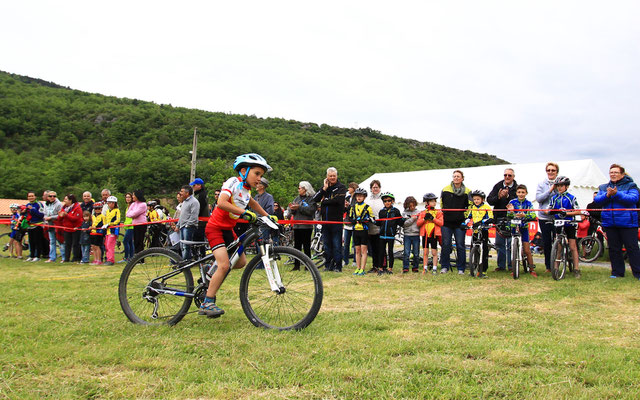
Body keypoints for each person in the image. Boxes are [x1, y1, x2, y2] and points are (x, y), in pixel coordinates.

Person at [199, 153, 276, 318]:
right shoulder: (233, 182)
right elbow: (221, 202)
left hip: (228, 229)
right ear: (243, 170)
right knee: (225, 265)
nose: (259, 179)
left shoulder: (246, 190)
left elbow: (253, 203)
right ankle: (208, 302)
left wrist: (266, 215)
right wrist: (244, 213)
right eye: (256, 174)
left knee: (240, 262)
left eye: (261, 176)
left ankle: (210, 269)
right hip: (215, 228)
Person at [594, 164, 640, 279]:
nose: (613, 174)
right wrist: (607, 195)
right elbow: (597, 200)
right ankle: (617, 273)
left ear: (622, 174)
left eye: (616, 172)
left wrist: (617, 194)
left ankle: (638, 273)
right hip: (610, 223)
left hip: (628, 223)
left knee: (632, 248)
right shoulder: (603, 187)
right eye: (611, 172)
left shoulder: (631, 185)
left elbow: (633, 199)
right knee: (614, 249)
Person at [313, 167, 347, 272]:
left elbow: (338, 200)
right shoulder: (325, 188)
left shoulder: (341, 187)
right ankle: (328, 265)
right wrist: (324, 189)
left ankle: (338, 266)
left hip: (336, 221)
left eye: (334, 176)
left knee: (336, 245)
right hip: (325, 221)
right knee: (327, 245)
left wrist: (325, 201)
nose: (332, 178)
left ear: (337, 176)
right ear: (327, 177)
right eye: (330, 176)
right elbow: (315, 199)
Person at [547, 176, 581, 278]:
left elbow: (578, 210)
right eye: (558, 186)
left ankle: (576, 269)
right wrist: (550, 211)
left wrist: (568, 213)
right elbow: (548, 209)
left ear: (566, 186)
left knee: (572, 246)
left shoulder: (571, 197)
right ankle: (556, 267)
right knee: (559, 247)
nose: (559, 188)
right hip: (558, 223)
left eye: (561, 186)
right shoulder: (554, 198)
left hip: (569, 223)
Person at [440, 170, 471, 274]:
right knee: (445, 244)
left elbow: (470, 206)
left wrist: (465, 217)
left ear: (462, 178)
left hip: (460, 223)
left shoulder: (468, 191)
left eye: (458, 176)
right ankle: (444, 266)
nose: (456, 178)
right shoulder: (445, 189)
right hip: (447, 222)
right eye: (454, 176)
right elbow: (441, 204)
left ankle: (461, 268)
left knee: (460, 245)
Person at [487, 168, 518, 271]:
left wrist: (508, 196)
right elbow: (489, 200)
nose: (507, 177)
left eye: (509, 175)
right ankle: (501, 266)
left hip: (511, 217)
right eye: (505, 175)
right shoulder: (498, 186)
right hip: (499, 217)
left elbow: (518, 201)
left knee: (510, 243)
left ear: (513, 177)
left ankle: (511, 265)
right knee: (499, 243)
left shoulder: (517, 187)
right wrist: (499, 197)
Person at [506, 184, 537, 277]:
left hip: (524, 227)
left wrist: (525, 216)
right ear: (516, 193)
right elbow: (508, 215)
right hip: (514, 227)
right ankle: (514, 269)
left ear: (526, 193)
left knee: (527, 249)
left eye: (523, 192)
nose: (521, 194)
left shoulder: (528, 203)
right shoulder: (512, 202)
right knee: (512, 248)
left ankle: (531, 269)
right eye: (519, 192)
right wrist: (511, 212)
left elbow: (533, 215)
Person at [287, 181, 316, 270]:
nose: (298, 190)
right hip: (297, 225)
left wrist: (299, 207)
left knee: (306, 246)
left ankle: (308, 265)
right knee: (297, 246)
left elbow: (311, 211)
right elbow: (291, 212)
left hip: (306, 226)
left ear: (305, 189)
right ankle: (296, 265)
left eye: (300, 188)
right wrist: (292, 209)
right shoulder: (297, 199)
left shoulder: (311, 199)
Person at [536, 162, 560, 273]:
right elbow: (539, 198)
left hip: (556, 217)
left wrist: (556, 188)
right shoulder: (541, 184)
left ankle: (558, 263)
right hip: (544, 217)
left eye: (553, 170)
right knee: (546, 242)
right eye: (548, 170)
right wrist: (550, 189)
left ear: (556, 172)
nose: (550, 172)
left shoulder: (561, 183)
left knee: (558, 241)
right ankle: (548, 266)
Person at [464, 190, 493, 277]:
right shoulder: (473, 207)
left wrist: (482, 222)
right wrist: (464, 223)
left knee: (484, 250)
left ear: (482, 199)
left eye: (478, 199)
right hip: (475, 230)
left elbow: (490, 218)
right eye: (475, 199)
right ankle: (473, 268)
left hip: (484, 230)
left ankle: (483, 270)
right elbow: (469, 217)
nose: (476, 201)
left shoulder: (486, 207)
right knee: (473, 248)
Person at [346, 188, 373, 276]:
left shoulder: (367, 207)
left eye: (361, 196)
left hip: (364, 231)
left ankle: (362, 268)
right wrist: (353, 221)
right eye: (357, 196)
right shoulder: (353, 207)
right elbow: (350, 217)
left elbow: (373, 219)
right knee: (357, 250)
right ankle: (357, 268)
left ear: (364, 197)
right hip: (355, 230)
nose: (359, 197)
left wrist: (365, 220)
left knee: (363, 250)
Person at [417, 193, 443, 274]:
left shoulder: (438, 212)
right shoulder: (422, 212)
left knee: (434, 252)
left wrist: (433, 219)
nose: (434, 203)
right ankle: (425, 267)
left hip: (434, 234)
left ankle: (434, 268)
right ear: (426, 203)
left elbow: (441, 223)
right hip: (425, 234)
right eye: (432, 201)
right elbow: (418, 223)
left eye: (435, 201)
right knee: (425, 252)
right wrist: (424, 219)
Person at [377, 192, 402, 274]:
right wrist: (373, 221)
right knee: (381, 252)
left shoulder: (396, 211)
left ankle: (390, 268)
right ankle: (381, 268)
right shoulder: (381, 212)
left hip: (390, 235)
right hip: (382, 235)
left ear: (392, 201)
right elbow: (379, 223)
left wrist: (405, 219)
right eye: (385, 201)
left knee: (390, 252)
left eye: (389, 200)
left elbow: (400, 222)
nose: (387, 202)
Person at [58, 194, 83, 263]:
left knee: (75, 244)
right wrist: (60, 216)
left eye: (66, 199)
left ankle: (76, 257)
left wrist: (66, 215)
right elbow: (59, 218)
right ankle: (66, 258)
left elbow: (75, 218)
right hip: (67, 228)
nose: (64, 200)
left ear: (70, 200)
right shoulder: (64, 207)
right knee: (67, 244)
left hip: (75, 228)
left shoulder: (77, 208)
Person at [366, 180, 384, 273]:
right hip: (370, 227)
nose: (375, 189)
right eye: (373, 187)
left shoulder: (383, 199)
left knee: (380, 248)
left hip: (380, 227)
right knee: (372, 249)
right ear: (371, 189)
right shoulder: (367, 200)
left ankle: (381, 266)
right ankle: (375, 266)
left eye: (377, 187)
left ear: (379, 188)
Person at [177, 185, 200, 260]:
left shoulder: (194, 202)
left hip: (188, 227)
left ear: (187, 193)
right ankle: (185, 259)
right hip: (182, 226)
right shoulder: (184, 202)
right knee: (182, 245)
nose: (180, 193)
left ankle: (186, 260)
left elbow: (194, 215)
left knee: (186, 245)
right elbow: (182, 215)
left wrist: (188, 225)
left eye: (182, 191)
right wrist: (178, 225)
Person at [190, 177, 210, 257]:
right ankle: (201, 255)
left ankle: (200, 255)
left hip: (201, 221)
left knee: (197, 240)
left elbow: (199, 208)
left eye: (194, 185)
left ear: (199, 185)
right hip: (201, 221)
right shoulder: (201, 194)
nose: (193, 187)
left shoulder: (201, 195)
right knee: (199, 240)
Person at [25, 191, 45, 262]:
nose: (31, 197)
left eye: (32, 196)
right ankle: (31, 255)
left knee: (37, 241)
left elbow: (41, 215)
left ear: (35, 197)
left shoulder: (39, 204)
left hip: (38, 225)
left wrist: (32, 209)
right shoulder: (27, 204)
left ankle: (37, 256)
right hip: (30, 225)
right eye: (29, 196)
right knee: (31, 241)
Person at [402, 196, 421, 273]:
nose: (412, 207)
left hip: (416, 235)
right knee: (406, 252)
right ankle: (405, 267)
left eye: (413, 205)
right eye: (410, 206)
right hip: (407, 235)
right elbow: (404, 224)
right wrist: (413, 218)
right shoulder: (404, 213)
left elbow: (420, 223)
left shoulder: (418, 212)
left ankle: (415, 267)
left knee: (416, 253)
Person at [43, 191, 62, 263]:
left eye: (54, 196)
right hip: (49, 224)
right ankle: (52, 257)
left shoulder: (59, 204)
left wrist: (51, 217)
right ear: (48, 197)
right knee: (52, 241)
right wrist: (46, 218)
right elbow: (44, 213)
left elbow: (60, 214)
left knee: (60, 241)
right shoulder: (46, 204)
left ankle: (64, 257)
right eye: (50, 196)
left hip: (57, 224)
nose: (52, 197)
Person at [126, 190, 148, 255]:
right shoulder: (133, 204)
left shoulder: (143, 204)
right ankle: (136, 256)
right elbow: (128, 214)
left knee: (140, 241)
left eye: (133, 195)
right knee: (135, 241)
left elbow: (134, 214)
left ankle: (141, 258)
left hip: (141, 225)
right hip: (135, 224)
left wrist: (133, 214)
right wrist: (132, 214)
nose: (132, 196)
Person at [342, 182, 359, 266]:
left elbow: (355, 209)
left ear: (353, 188)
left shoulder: (357, 199)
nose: (348, 189)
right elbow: (346, 210)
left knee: (355, 244)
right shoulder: (348, 197)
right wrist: (345, 207)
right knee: (346, 244)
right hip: (347, 223)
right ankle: (345, 260)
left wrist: (349, 206)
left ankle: (355, 261)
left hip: (354, 223)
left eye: (349, 187)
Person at [103, 196, 121, 265]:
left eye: (112, 203)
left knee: (110, 245)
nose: (110, 204)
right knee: (107, 245)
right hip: (107, 230)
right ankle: (108, 258)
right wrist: (105, 225)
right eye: (109, 203)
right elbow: (106, 219)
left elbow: (118, 220)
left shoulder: (117, 210)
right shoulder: (107, 211)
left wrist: (110, 224)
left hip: (113, 230)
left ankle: (111, 260)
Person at [122, 192, 135, 262]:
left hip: (131, 226)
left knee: (125, 241)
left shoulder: (133, 206)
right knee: (130, 242)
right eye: (126, 197)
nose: (127, 199)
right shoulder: (127, 206)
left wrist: (129, 224)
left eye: (129, 197)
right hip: (127, 226)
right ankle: (131, 257)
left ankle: (127, 257)